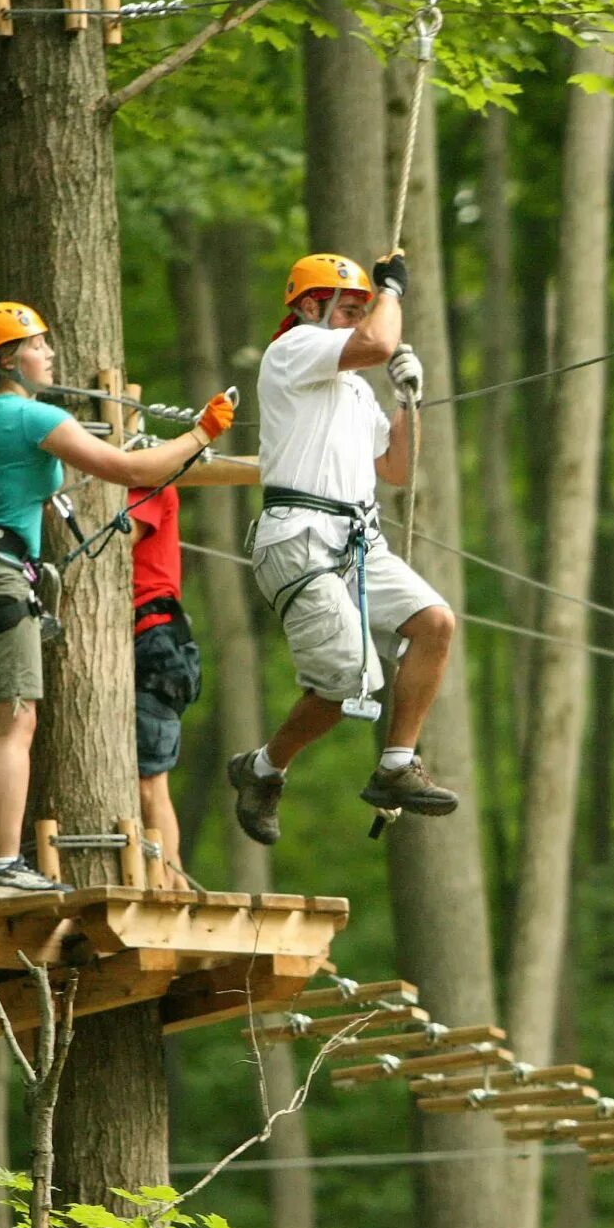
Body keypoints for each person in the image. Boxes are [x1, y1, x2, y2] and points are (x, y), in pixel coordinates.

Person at [0, 301, 236, 914]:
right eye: (40, 346)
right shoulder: (33, 418)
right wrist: (201, 434)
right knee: (14, 724)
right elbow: (130, 467)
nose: (50, 355)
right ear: (12, 360)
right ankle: (3, 866)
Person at [225, 250, 460, 846]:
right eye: (350, 308)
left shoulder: (354, 391)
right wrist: (392, 292)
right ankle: (263, 767)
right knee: (348, 683)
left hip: (358, 538)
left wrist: (409, 401)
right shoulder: (294, 350)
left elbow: (398, 468)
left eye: (365, 309)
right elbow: (378, 342)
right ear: (310, 305)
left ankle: (396, 766)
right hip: (299, 537)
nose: (361, 320)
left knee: (434, 622)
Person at [129, 481, 200, 884]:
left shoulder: (146, 482)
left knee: (148, 782)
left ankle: (169, 883)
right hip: (147, 641)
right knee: (148, 782)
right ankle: (168, 879)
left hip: (157, 643)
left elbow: (113, 544)